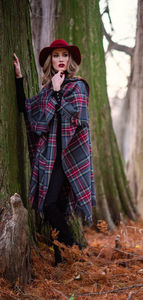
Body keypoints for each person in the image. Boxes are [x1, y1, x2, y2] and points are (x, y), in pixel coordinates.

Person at [13, 39, 96, 265]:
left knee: (50, 205)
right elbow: (27, 110)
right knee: (55, 208)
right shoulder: (47, 90)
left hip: (69, 157)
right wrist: (19, 77)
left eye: (65, 55)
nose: (61, 59)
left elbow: (77, 118)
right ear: (51, 60)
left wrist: (59, 92)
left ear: (69, 60)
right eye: (57, 55)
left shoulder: (77, 86)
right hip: (50, 158)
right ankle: (61, 260)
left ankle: (73, 246)